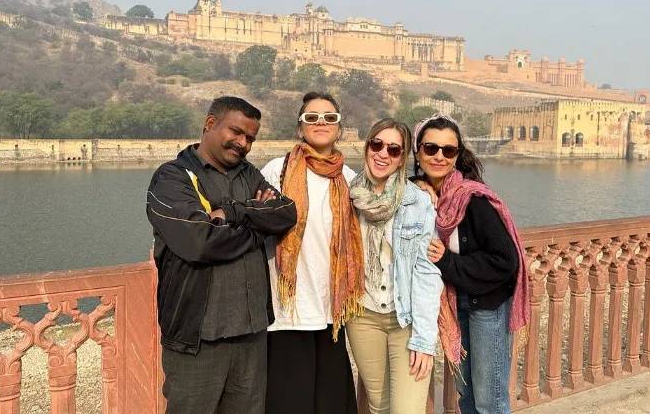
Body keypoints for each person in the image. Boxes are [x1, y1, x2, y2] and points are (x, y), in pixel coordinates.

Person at [146, 96, 297, 414]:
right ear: (210, 124)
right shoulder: (172, 178)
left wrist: (231, 211)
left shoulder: (247, 174)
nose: (243, 143)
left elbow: (285, 213)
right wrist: (257, 225)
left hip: (251, 334)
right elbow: (199, 243)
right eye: (237, 132)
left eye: (250, 138)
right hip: (198, 338)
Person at [412, 114, 529, 414]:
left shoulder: (472, 199)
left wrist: (449, 261)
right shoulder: (420, 195)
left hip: (486, 306)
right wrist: (417, 187)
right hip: (454, 305)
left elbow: (506, 260)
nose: (439, 156)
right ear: (418, 151)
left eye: (448, 151)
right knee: (467, 397)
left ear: (457, 156)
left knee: (490, 401)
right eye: (431, 148)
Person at [260, 91, 362, 414]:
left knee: (330, 404)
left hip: (331, 312)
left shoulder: (348, 179)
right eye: (312, 117)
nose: (321, 123)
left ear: (339, 127)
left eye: (329, 118)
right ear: (300, 126)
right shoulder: (277, 171)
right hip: (288, 313)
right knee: (289, 404)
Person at [347, 118, 443, 414]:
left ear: (402, 159)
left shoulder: (416, 201)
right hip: (362, 316)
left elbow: (427, 271)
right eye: (377, 144)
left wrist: (425, 339)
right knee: (379, 406)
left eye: (393, 149)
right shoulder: (348, 196)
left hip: (407, 319)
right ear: (367, 147)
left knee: (407, 409)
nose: (382, 154)